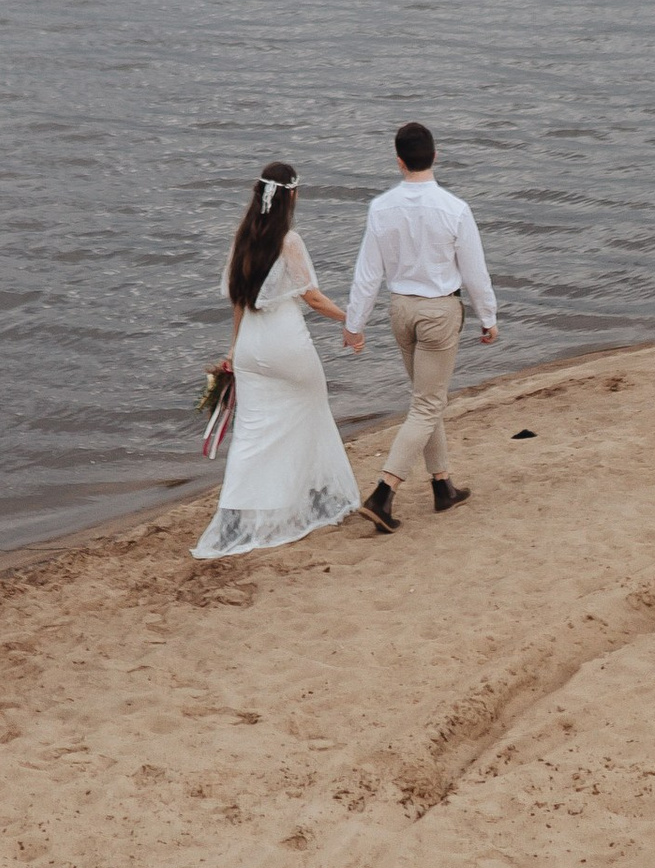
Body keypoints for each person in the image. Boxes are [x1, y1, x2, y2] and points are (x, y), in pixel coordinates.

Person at [194, 158, 366, 560]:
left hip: (252, 347)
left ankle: (233, 518)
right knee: (311, 413)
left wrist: (234, 351)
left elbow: (238, 301)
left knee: (252, 435)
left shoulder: (242, 239)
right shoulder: (289, 240)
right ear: (293, 196)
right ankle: (319, 499)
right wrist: (352, 320)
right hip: (287, 345)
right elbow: (312, 297)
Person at [341, 121, 496, 528]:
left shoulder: (381, 207)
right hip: (439, 313)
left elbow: (367, 272)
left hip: (401, 311)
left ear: (399, 162)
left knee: (428, 399)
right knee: (428, 403)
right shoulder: (455, 209)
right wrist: (488, 317)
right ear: (435, 156)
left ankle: (443, 486)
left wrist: (355, 323)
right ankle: (383, 492)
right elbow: (475, 272)